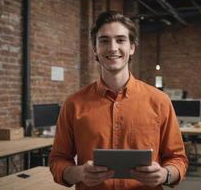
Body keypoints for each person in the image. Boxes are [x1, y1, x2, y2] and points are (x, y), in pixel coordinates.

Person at [49, 11, 188, 190]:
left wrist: (165, 175)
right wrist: (80, 173)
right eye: (104, 40)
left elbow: (178, 159)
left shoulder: (160, 101)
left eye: (120, 40)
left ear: (132, 48)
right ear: (95, 49)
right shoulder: (73, 104)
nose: (112, 48)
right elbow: (57, 160)